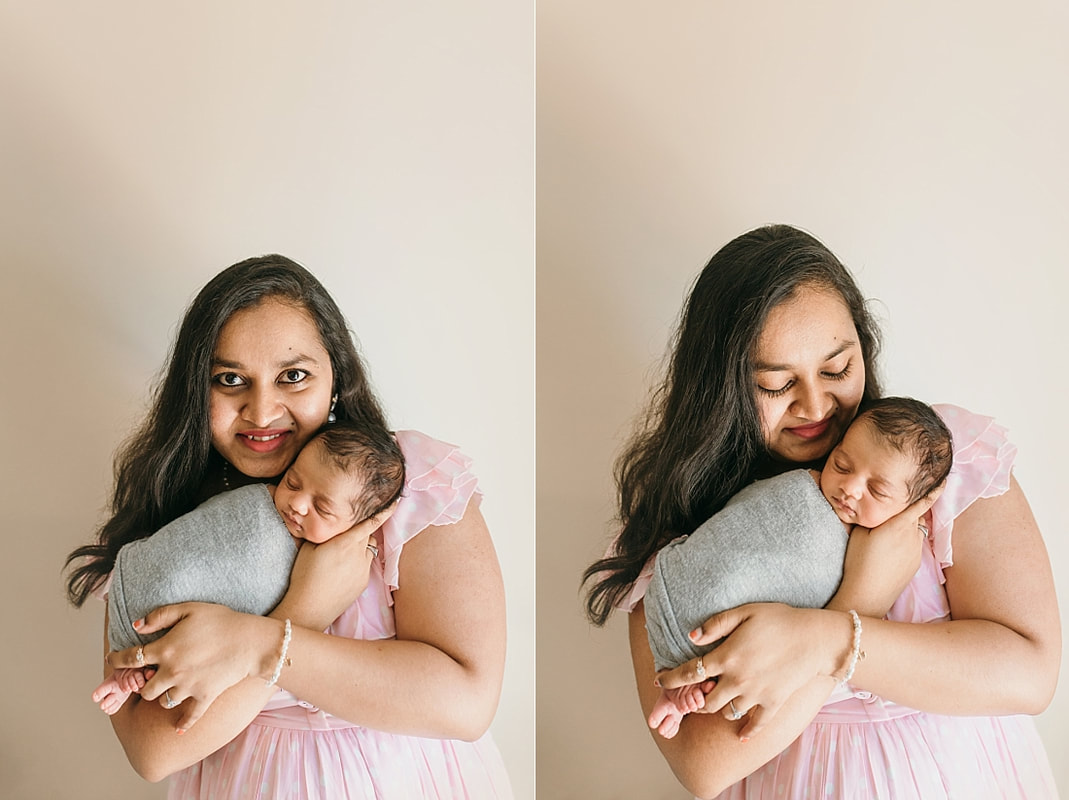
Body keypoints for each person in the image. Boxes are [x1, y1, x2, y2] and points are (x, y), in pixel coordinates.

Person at [583, 225, 1059, 798]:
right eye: (777, 384)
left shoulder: (934, 459)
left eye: (836, 370)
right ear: (723, 388)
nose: (815, 406)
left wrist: (828, 640)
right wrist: (858, 602)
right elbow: (703, 767)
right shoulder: (675, 530)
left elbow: (1030, 674)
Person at [65, 255, 512, 798]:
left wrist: (256, 643)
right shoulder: (169, 522)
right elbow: (154, 751)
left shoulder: (406, 484)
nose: (262, 410)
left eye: (293, 376)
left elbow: (466, 705)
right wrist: (303, 610)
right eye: (231, 380)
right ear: (195, 391)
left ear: (335, 378)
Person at [646, 397, 953, 740]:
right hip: (681, 587)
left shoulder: (889, 552)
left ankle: (680, 693)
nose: (850, 489)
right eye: (842, 464)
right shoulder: (800, 486)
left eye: (877, 490)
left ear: (910, 508)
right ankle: (677, 682)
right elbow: (742, 518)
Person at [93, 422, 405, 716]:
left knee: (162, 657)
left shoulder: (337, 568)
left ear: (358, 527)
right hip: (154, 584)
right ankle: (129, 671)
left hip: (212, 649)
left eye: (322, 508)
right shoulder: (258, 502)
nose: (297, 503)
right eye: (293, 482)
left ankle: (131, 678)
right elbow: (201, 535)